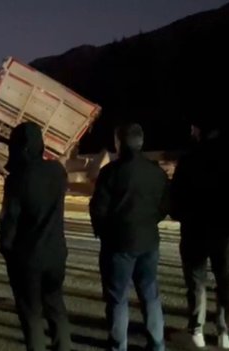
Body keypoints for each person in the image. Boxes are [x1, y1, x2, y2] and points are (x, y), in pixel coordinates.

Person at [90, 123, 169, 351]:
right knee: (150, 295)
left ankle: (118, 346)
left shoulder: (110, 173)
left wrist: (104, 233)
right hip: (148, 241)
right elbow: (165, 204)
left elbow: (99, 210)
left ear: (119, 143)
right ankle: (157, 344)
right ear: (141, 142)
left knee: (117, 298)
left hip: (118, 244)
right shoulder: (156, 172)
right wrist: (150, 220)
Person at [0, 122, 71, 351]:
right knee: (56, 307)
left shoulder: (16, 180)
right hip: (56, 254)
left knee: (31, 315)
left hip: (27, 258)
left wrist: (6, 250)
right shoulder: (58, 172)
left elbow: (10, 221)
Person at [171, 120, 229, 348]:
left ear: (198, 132)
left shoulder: (188, 161)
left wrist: (182, 215)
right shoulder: (228, 159)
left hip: (194, 230)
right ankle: (224, 331)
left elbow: (175, 200)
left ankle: (197, 330)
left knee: (197, 281)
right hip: (224, 232)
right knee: (224, 280)